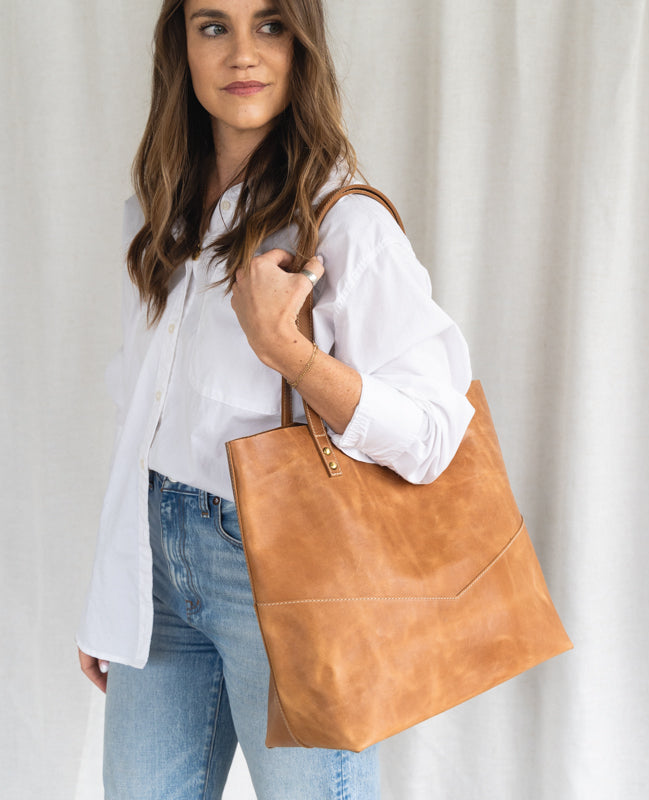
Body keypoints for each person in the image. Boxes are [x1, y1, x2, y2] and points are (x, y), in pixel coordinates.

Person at [76, 0, 473, 797]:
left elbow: (435, 435)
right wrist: (109, 590)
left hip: (289, 577)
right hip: (158, 566)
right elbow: (146, 419)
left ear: (303, 46)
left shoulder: (346, 224)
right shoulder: (160, 219)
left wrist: (287, 353)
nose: (242, 54)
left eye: (271, 25)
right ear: (181, 48)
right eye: (213, 26)